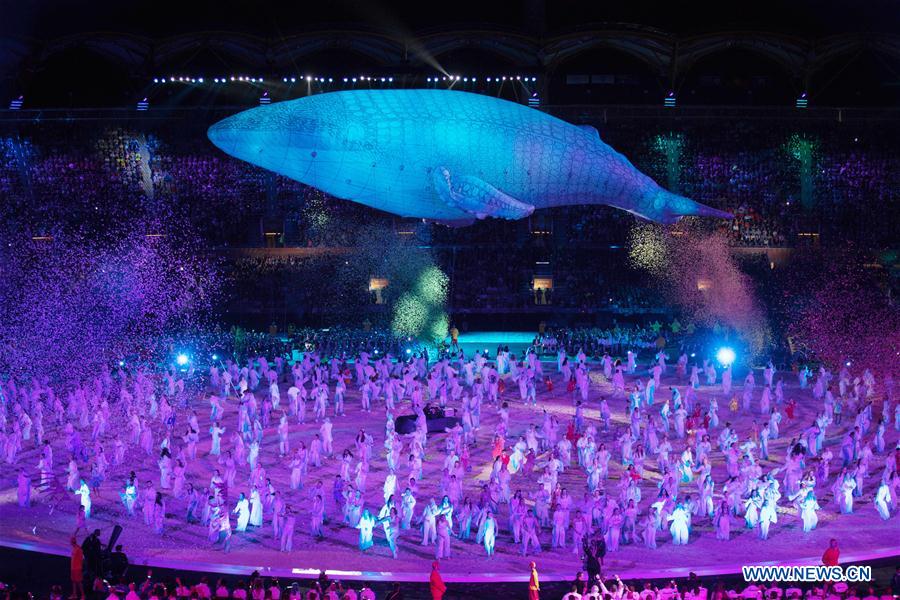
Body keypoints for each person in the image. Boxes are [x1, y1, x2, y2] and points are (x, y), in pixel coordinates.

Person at [70, 535, 85, 600]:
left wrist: (80, 567)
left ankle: (83, 595)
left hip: (77, 568)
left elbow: (81, 559)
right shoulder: (74, 548)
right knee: (73, 581)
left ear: (73, 542)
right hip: (73, 568)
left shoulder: (78, 549)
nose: (70, 542)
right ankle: (74, 595)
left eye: (71, 541)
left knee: (78, 582)